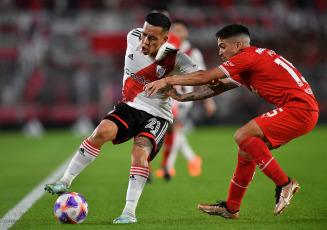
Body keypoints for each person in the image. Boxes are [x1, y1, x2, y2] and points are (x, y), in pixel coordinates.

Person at [144, 24, 319, 219]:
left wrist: (167, 81)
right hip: (302, 111)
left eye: (222, 46)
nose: (219, 52)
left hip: (299, 110)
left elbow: (205, 76)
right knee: (246, 148)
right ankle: (231, 207)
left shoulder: (247, 57)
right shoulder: (250, 60)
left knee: (242, 134)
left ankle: (284, 182)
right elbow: (219, 87)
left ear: (238, 45)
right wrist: (183, 98)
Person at [44, 13, 200, 224]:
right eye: (145, 35)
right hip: (129, 105)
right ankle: (65, 181)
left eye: (152, 38)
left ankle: (129, 212)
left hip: (157, 115)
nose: (145, 41)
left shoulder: (177, 58)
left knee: (139, 152)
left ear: (165, 39)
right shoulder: (132, 36)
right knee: (101, 131)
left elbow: (201, 76)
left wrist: (171, 82)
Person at [155, 19, 216, 179]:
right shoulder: (167, 49)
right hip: (167, 96)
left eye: (180, 29)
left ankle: (168, 167)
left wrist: (209, 100)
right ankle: (192, 159)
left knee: (172, 129)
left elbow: (205, 76)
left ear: (186, 32)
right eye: (173, 29)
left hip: (182, 98)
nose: (176, 31)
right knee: (172, 130)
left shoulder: (193, 52)